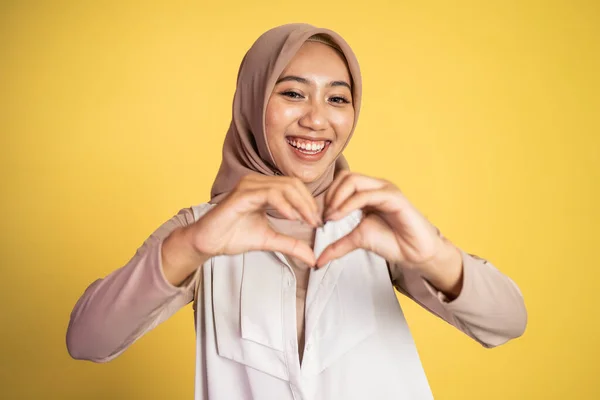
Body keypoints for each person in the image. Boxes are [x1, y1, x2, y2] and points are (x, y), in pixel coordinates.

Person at [66, 23, 527, 399]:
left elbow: (508, 323)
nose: (316, 119)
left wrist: (434, 254)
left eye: (337, 98)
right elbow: (88, 341)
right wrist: (193, 246)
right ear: (252, 101)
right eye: (292, 93)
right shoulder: (201, 230)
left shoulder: (377, 224)